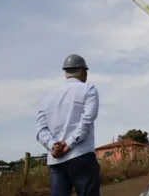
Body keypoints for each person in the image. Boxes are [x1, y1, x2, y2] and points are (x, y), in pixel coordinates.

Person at [35, 54, 100, 196]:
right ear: (83, 71)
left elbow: (40, 129)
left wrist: (53, 145)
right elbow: (87, 120)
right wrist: (69, 144)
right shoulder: (88, 90)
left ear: (66, 73)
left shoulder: (48, 98)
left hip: (56, 161)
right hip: (81, 155)